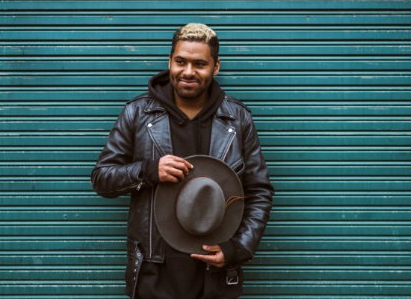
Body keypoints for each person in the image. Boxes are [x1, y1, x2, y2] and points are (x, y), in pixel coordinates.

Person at [91, 23, 274, 299]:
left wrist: (237, 249)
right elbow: (102, 178)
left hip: (215, 278)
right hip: (154, 275)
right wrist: (148, 170)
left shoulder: (237, 120)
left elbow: (259, 191)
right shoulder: (138, 114)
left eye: (199, 64)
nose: (188, 72)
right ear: (169, 62)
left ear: (216, 67)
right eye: (181, 62)